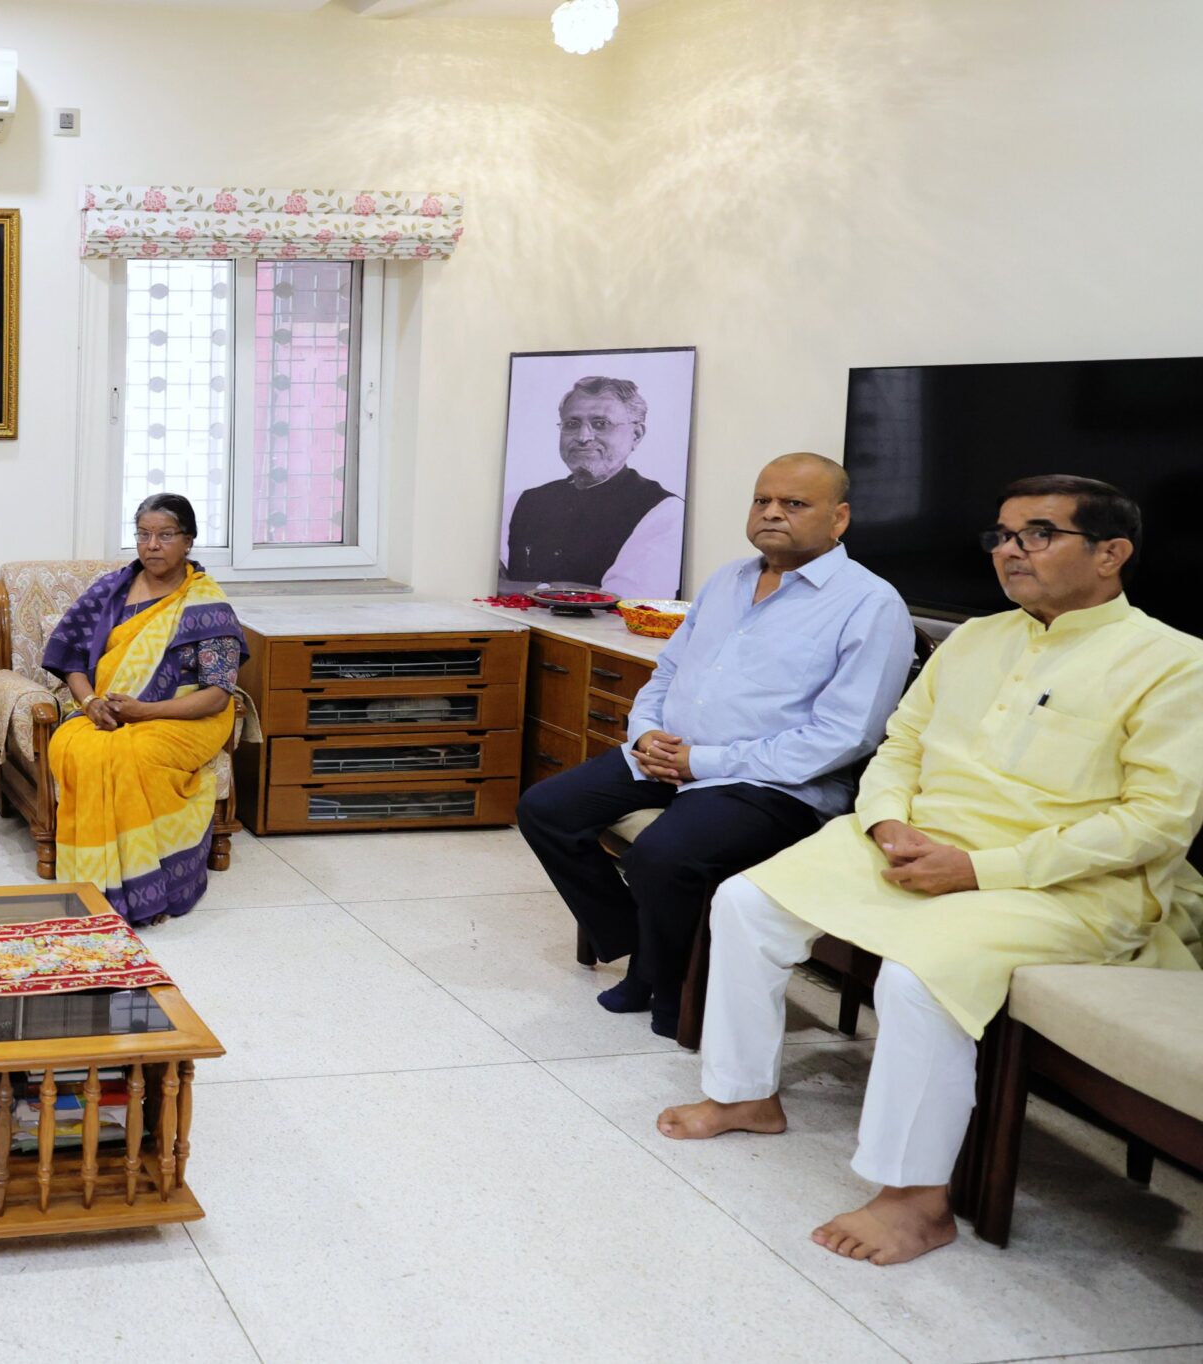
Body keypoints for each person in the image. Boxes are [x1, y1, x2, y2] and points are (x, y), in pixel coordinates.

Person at [659, 475, 1203, 1266]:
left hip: (1065, 882)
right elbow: (899, 746)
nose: (1010, 552)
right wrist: (884, 824)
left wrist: (980, 867)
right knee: (746, 900)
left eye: (1037, 535)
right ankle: (745, 1095)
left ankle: (915, 1199)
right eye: (1003, 536)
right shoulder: (979, 636)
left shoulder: (1174, 663)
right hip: (911, 841)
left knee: (919, 976)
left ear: (1112, 553)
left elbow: (1155, 823)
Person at [516, 455, 912, 1036]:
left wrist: (702, 761)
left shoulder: (871, 605)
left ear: (840, 518)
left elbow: (845, 736)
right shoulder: (728, 579)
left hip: (769, 784)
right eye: (762, 500)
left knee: (661, 855)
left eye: (795, 504)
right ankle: (642, 949)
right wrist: (646, 732)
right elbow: (669, 669)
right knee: (545, 809)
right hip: (670, 755)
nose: (772, 513)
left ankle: (671, 983)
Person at [43, 493, 248, 926]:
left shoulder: (205, 604)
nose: (152, 545)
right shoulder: (111, 591)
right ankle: (96, 885)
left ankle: (149, 887)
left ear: (188, 541)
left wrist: (146, 713)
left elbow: (217, 694)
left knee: (132, 756)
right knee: (75, 746)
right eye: (143, 535)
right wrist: (90, 701)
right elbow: (70, 659)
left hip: (187, 716)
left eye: (165, 535)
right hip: (113, 710)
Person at [501, 376, 684, 597]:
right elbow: (485, 584)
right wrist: (556, 590)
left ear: (636, 435)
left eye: (600, 424)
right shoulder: (519, 502)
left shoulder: (664, 512)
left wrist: (520, 590)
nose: (583, 437)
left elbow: (624, 604)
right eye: (572, 424)